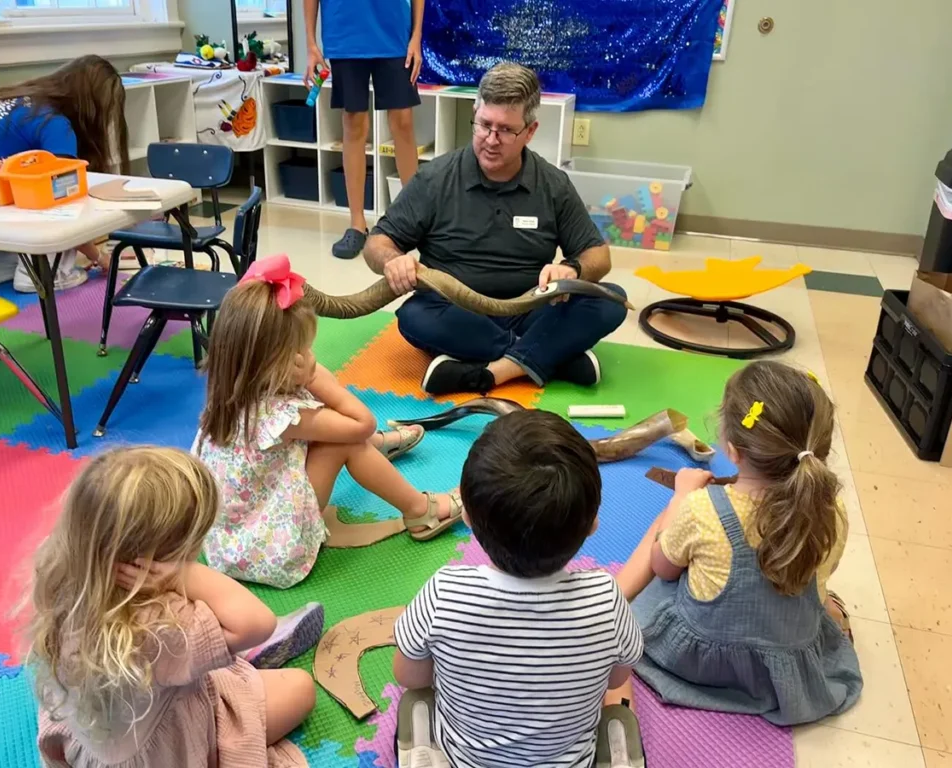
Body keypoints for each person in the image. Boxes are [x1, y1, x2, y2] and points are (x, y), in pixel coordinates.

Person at [27, 446, 318, 768]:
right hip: (164, 751)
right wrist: (186, 575)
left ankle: (222, 650)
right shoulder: (161, 624)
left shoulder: (63, 576)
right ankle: (225, 648)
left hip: (95, 735)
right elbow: (259, 623)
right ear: (160, 557)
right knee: (300, 688)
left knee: (232, 663)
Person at [193, 255, 463, 589]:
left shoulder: (231, 387)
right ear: (276, 364)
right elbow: (360, 421)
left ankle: (376, 449)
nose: (310, 355)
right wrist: (316, 379)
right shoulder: (281, 416)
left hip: (226, 536)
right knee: (350, 441)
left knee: (345, 434)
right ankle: (421, 511)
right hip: (268, 550)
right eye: (303, 350)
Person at [616, 361, 863, 726]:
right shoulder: (832, 510)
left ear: (732, 450)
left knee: (665, 545)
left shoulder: (703, 509)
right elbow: (819, 575)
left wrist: (679, 499)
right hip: (782, 673)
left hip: (701, 664)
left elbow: (663, 568)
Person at [393, 410, 645, 767]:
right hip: (571, 762)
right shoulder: (607, 600)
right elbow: (615, 678)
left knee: (414, 701)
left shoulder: (444, 593)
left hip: (465, 759)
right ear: (592, 525)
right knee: (619, 707)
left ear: (466, 517)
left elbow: (409, 675)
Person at [364, 62, 626, 396]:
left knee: (611, 299)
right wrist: (391, 260)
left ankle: (488, 373)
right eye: (484, 125)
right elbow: (377, 242)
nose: (491, 139)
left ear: (530, 131)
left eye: (505, 130)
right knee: (414, 317)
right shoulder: (435, 178)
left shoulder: (552, 184)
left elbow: (598, 256)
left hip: (531, 308)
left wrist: (571, 268)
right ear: (475, 112)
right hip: (456, 313)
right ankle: (549, 356)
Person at [0, 55, 129, 292]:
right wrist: (99, 256)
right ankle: (46, 274)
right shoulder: (54, 121)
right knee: (56, 194)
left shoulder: (15, 98)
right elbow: (64, 195)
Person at [304, 0, 425, 259]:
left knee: (403, 122)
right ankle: (357, 224)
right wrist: (311, 43)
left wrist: (416, 37)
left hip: (393, 33)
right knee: (353, 123)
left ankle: (413, 219)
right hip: (345, 35)